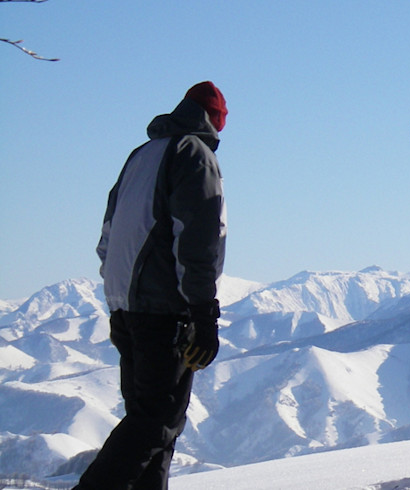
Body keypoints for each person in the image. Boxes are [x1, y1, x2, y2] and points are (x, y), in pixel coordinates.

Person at [77, 81, 227, 489]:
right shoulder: (193, 155)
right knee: (155, 423)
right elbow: (197, 239)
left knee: (153, 429)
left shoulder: (140, 155)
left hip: (126, 308)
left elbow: (108, 236)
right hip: (164, 312)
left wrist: (120, 296)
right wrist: (203, 313)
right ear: (215, 120)